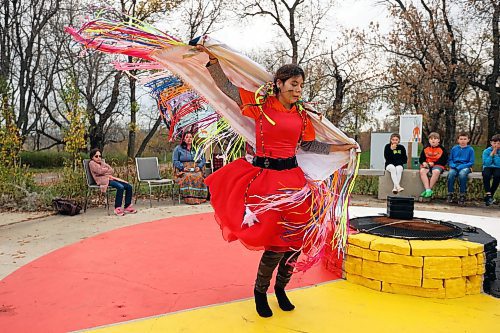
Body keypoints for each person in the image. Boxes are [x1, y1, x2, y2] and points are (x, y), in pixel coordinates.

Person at [198, 46, 357, 318]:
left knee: (295, 241)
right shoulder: (261, 105)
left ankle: (281, 288)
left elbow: (308, 145)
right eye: (294, 84)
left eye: (301, 86)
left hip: (294, 182)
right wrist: (213, 62)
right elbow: (228, 89)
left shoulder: (302, 115)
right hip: (267, 182)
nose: (298, 90)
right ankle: (261, 292)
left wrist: (341, 148)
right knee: (274, 243)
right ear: (279, 84)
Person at [88, 148, 137, 216]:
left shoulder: (102, 162)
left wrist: (104, 170)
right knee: (120, 187)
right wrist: (106, 169)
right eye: (96, 156)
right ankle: (117, 208)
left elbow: (111, 170)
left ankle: (127, 206)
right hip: (102, 180)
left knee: (128, 186)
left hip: (109, 178)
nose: (98, 158)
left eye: (100, 156)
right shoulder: (92, 163)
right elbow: (99, 171)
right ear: (92, 157)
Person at [172, 131, 208, 205]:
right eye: (187, 137)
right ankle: (189, 198)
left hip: (196, 169)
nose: (189, 139)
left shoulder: (197, 148)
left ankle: (200, 198)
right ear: (184, 139)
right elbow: (175, 161)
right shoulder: (178, 149)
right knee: (188, 176)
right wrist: (182, 167)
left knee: (198, 176)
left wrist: (199, 167)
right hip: (183, 170)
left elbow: (203, 159)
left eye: (190, 137)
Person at [447, 132, 475, 206]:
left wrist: (460, 167)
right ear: (458, 140)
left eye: (465, 139)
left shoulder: (470, 149)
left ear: (468, 140)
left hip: (466, 166)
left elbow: (471, 162)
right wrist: (453, 165)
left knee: (462, 175)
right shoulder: (454, 148)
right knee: (451, 174)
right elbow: (450, 160)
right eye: (461, 139)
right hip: (455, 166)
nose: (463, 141)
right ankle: (450, 193)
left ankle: (462, 194)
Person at [418, 132, 448, 199]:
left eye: (435, 138)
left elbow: (444, 160)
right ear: (429, 140)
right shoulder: (426, 148)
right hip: (428, 165)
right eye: (431, 139)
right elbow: (421, 159)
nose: (433, 140)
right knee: (422, 171)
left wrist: (434, 164)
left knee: (436, 171)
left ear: (439, 140)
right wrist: (423, 163)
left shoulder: (442, 149)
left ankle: (429, 190)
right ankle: (428, 190)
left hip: (438, 165)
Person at [482, 134, 500, 206]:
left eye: (498, 143)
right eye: (494, 143)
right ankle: (488, 194)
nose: (496, 145)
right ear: (491, 143)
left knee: (497, 176)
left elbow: (498, 164)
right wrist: (491, 154)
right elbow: (486, 163)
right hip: (488, 167)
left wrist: (496, 155)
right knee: (486, 174)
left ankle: (489, 196)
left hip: (498, 167)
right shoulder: (486, 151)